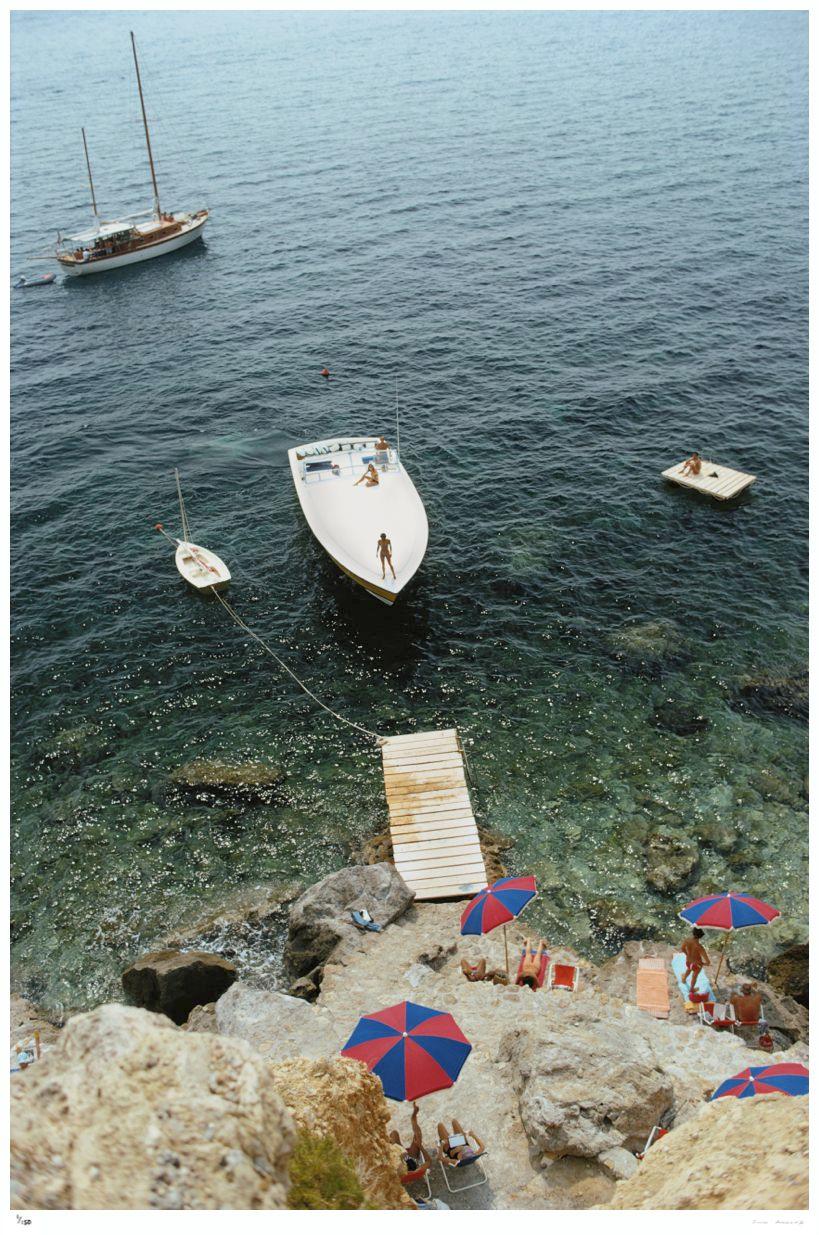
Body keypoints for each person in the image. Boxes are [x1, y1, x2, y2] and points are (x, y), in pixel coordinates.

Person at [390, 1101, 428, 1175]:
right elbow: (427, 1162)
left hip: (402, 1162)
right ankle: (413, 1117)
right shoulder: (415, 1163)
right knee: (417, 1135)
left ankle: (413, 1117)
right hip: (411, 1159)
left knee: (393, 1134)